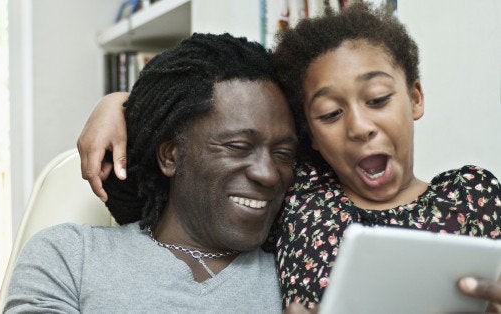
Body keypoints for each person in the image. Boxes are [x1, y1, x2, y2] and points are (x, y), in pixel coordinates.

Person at [75, 3, 501, 312]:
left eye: (378, 98)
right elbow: (211, 124)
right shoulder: (299, 192)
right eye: (330, 114)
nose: (358, 127)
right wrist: (119, 105)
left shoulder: (472, 194)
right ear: (309, 135)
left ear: (415, 97)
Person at [4, 33, 299, 312]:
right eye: (238, 146)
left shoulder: (303, 271)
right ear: (170, 156)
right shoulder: (69, 257)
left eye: (284, 153)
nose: (269, 174)